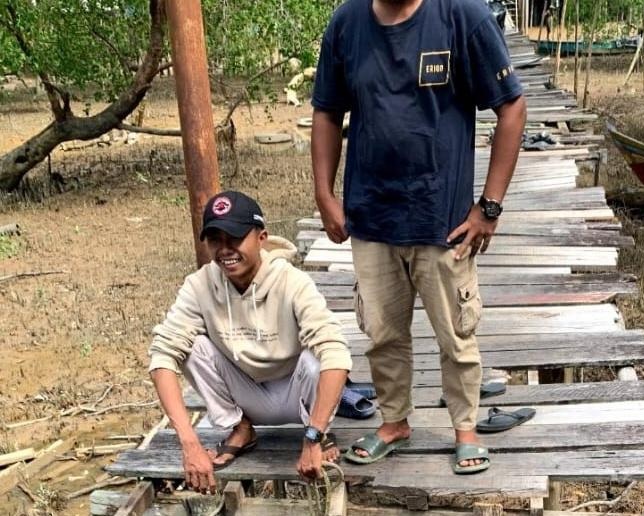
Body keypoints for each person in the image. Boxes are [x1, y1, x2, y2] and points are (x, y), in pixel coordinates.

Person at [311, 0, 526, 474]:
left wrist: (489, 207)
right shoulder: (348, 24)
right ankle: (393, 422)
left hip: (443, 220)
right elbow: (327, 110)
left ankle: (465, 429)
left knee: (457, 335)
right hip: (371, 218)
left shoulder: (463, 17)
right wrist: (325, 194)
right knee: (382, 334)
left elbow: (511, 106)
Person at [148, 191, 352, 493]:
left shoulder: (292, 282)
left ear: (261, 237)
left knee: (318, 358)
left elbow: (337, 354)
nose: (225, 250)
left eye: (235, 238)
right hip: (247, 393)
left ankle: (320, 433)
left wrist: (312, 436)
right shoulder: (200, 285)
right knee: (190, 348)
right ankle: (240, 428)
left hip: (297, 393)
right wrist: (190, 444)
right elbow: (162, 357)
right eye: (215, 239)